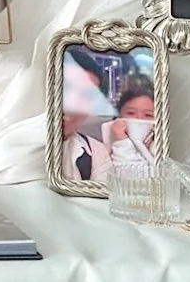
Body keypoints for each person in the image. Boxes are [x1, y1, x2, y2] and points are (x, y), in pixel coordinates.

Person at [58, 52, 115, 184]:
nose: (73, 103)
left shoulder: (95, 152)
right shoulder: (16, 142)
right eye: (66, 87)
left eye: (87, 95)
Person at [104, 78, 158, 166]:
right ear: (119, 115)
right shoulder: (100, 149)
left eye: (148, 115)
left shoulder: (161, 150)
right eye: (131, 113)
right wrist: (121, 142)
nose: (139, 119)